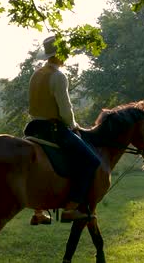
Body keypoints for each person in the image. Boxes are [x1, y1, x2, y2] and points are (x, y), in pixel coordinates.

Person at [27, 36, 101, 225]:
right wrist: (73, 125)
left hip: (33, 128)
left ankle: (39, 210)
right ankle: (70, 208)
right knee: (91, 161)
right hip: (52, 128)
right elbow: (65, 109)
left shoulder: (36, 74)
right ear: (59, 54)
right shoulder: (58, 76)